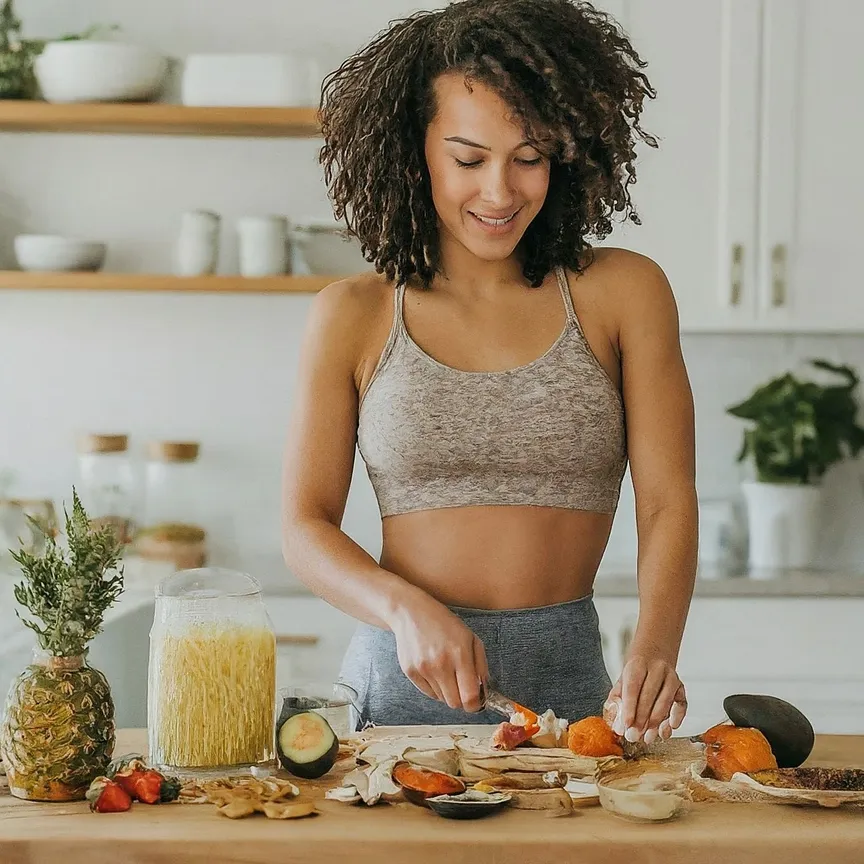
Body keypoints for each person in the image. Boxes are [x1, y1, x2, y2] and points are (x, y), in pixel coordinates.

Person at [281, 0, 697, 745]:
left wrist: (657, 647)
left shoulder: (624, 294)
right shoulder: (354, 313)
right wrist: (404, 607)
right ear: (417, 152)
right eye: (469, 159)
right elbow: (304, 525)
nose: (501, 193)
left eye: (529, 157)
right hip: (395, 695)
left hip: (572, 693)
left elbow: (668, 499)